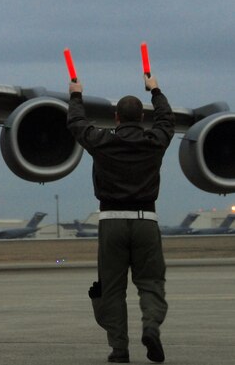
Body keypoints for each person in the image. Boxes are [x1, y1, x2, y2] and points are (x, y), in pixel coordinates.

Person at [66, 74, 175, 363]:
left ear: (115, 118)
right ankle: (151, 326)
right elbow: (166, 120)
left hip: (111, 221)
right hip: (145, 221)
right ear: (141, 118)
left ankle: (119, 349)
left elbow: (77, 124)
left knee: (112, 289)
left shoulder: (103, 142)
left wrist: (76, 95)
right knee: (151, 282)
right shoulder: (155, 142)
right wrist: (156, 90)